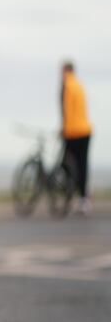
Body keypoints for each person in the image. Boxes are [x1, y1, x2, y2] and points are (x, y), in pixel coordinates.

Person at [60, 60, 92, 214]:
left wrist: (64, 129)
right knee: (82, 165)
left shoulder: (67, 85)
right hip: (85, 130)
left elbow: (67, 110)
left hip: (73, 132)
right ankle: (84, 198)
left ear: (65, 71)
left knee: (65, 164)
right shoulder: (79, 85)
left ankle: (70, 194)